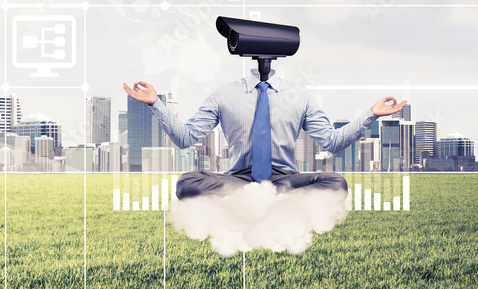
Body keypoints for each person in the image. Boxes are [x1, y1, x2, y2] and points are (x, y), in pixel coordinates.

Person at [122, 69, 407, 199]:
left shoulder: (299, 96)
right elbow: (186, 138)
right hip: (239, 177)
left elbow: (331, 142)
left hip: (285, 177)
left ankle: (262, 198)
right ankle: (263, 198)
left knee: (336, 183)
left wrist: (371, 115)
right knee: (186, 183)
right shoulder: (224, 94)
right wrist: (155, 103)